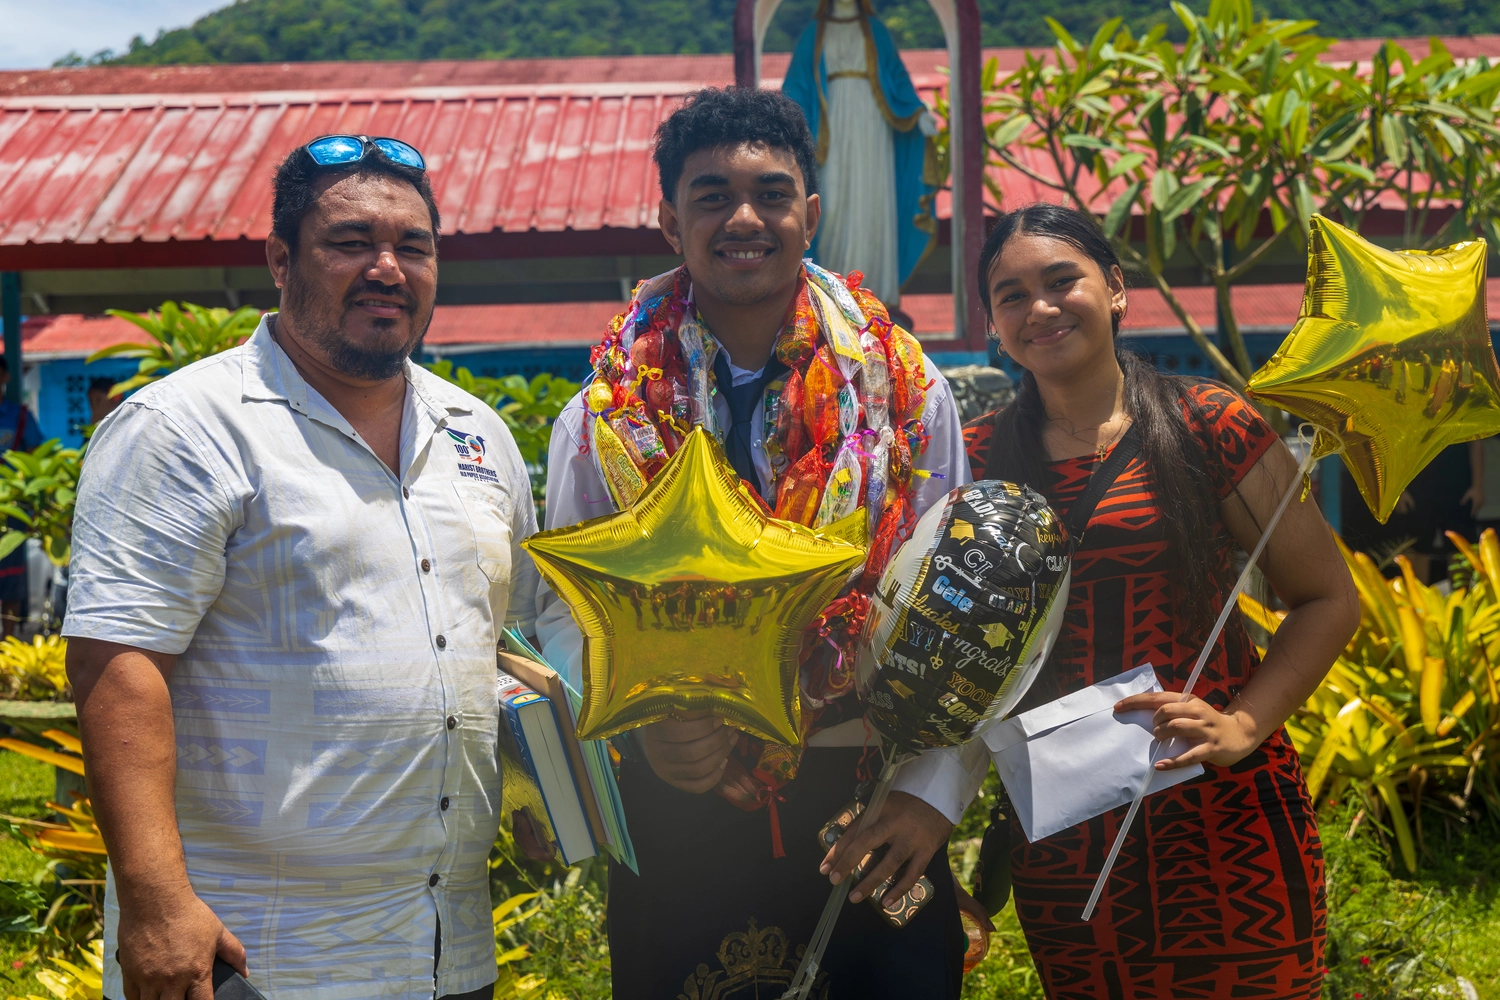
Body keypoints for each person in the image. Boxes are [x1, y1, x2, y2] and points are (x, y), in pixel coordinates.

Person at [535, 87, 987, 999]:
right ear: (670, 221)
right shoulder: (603, 417)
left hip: (869, 790)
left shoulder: (906, 393)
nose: (745, 218)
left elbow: (960, 603)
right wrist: (646, 725)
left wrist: (928, 799)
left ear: (810, 213)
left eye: (771, 193)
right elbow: (559, 608)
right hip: (684, 796)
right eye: (711, 196)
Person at [63, 135, 540, 1000]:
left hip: (447, 946)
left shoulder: (479, 434)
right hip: (259, 954)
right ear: (282, 259)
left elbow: (507, 644)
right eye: (351, 243)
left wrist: (550, 791)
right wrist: (157, 901)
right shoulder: (186, 427)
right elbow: (115, 661)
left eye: (415, 247)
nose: (387, 268)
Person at [962, 203, 1360, 997]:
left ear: (1114, 289)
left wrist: (1243, 723)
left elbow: (1327, 598)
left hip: (1227, 819)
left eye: (1060, 280)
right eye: (1011, 294)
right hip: (1071, 841)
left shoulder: (1207, 424)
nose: (1039, 307)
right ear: (993, 323)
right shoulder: (974, 461)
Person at [782, 0, 938, 310]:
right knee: (834, 202)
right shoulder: (814, 33)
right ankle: (835, 291)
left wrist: (916, 112)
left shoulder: (875, 30)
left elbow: (896, 75)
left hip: (873, 125)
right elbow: (797, 85)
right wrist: (785, 123)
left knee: (873, 202)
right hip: (831, 126)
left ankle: (876, 293)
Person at [0, 357, 42, 636]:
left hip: (13, 510)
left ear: (4, 377)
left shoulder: (20, 417)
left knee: (11, 581)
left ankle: (9, 645)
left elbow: (39, 461)